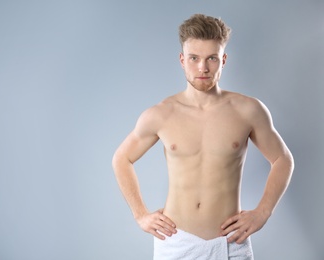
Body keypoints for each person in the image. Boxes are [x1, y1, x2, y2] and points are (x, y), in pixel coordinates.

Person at [112, 13, 294, 259]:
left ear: (223, 60)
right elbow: (121, 158)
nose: (203, 68)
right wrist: (140, 214)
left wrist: (263, 212)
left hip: (230, 243)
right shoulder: (161, 114)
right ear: (182, 60)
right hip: (176, 242)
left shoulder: (248, 110)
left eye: (212, 58)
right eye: (194, 58)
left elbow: (283, 159)